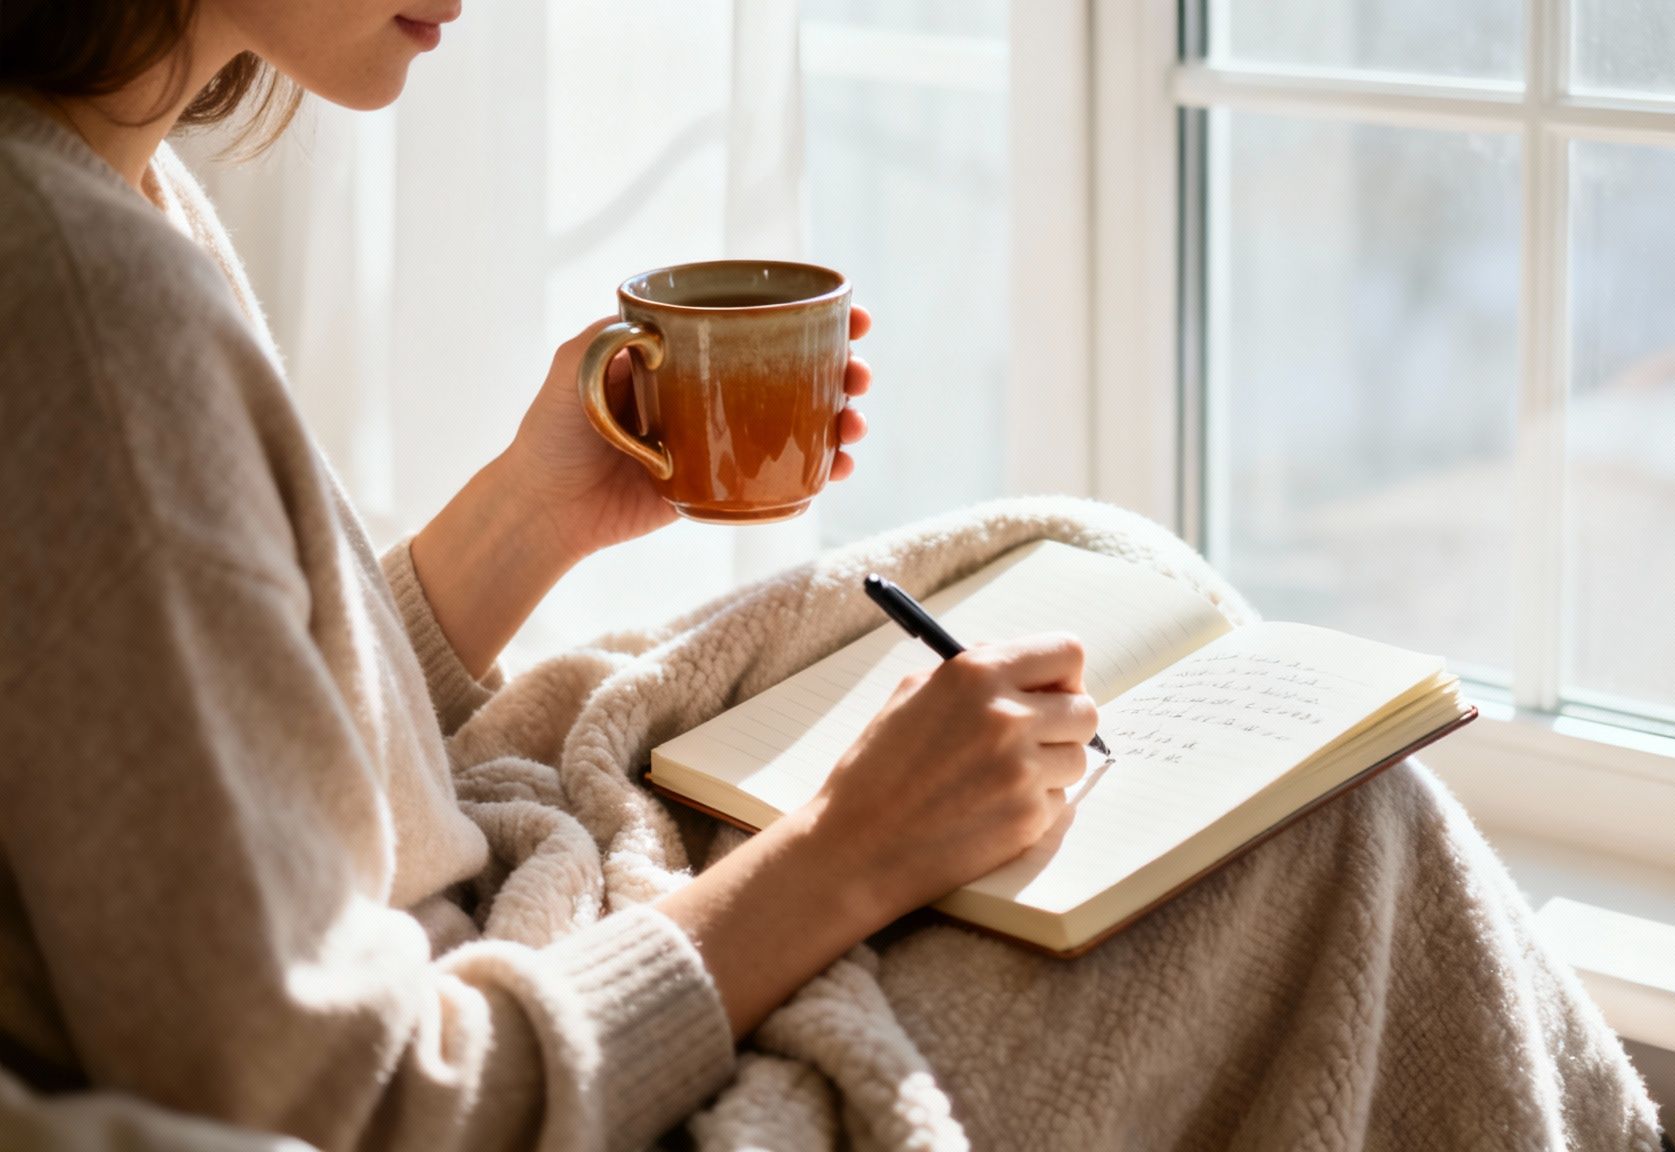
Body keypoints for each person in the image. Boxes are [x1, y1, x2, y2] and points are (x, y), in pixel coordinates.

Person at [0, 1, 1102, 1147]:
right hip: (513, 1066)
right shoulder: (91, 305)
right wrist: (847, 851)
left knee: (1085, 565)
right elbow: (348, 1102)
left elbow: (238, 740)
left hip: (504, 966)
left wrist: (532, 517)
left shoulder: (110, 188)